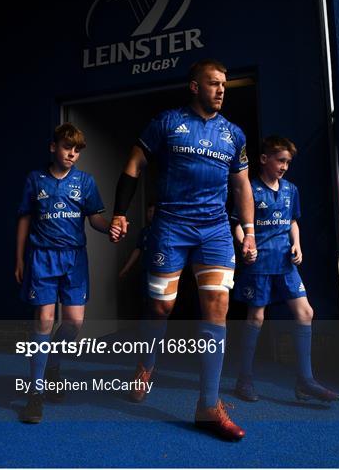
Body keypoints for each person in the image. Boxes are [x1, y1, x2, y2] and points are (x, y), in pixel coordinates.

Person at [110, 58, 257, 441]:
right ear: (195, 86)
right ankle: (146, 364)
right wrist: (120, 213)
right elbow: (134, 163)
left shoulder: (233, 135)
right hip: (170, 228)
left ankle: (208, 405)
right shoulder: (166, 123)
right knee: (161, 305)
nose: (221, 89)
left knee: (218, 308)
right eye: (213, 83)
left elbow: (241, 187)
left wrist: (250, 231)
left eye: (224, 84)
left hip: (215, 232)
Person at [231, 136, 339, 403]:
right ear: (264, 159)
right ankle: (244, 380)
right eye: (280, 160)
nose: (284, 166)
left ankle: (305, 381)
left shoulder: (291, 190)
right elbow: (237, 224)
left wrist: (298, 246)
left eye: (288, 162)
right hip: (259, 264)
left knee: (306, 312)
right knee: (255, 318)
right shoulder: (250, 189)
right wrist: (245, 245)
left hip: (285, 263)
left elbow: (292, 221)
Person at [15, 122, 110, 423]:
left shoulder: (85, 182)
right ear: (53, 147)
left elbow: (95, 219)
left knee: (74, 323)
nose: (72, 154)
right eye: (68, 147)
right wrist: (19, 259)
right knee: (43, 320)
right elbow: (24, 220)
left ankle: (52, 363)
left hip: (74, 260)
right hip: (41, 258)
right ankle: (35, 393)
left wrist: (113, 228)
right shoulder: (35, 179)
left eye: (78, 150)